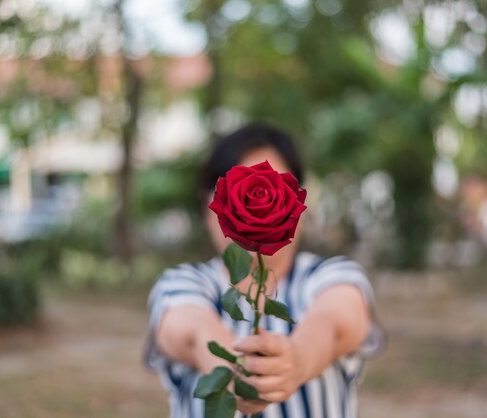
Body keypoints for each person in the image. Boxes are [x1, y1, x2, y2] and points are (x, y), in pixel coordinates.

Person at [144, 122, 386, 418]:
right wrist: (233, 370)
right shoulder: (185, 282)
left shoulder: (331, 276)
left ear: (298, 200)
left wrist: (298, 359)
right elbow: (192, 333)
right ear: (208, 203)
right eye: (231, 189)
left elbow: (335, 324)